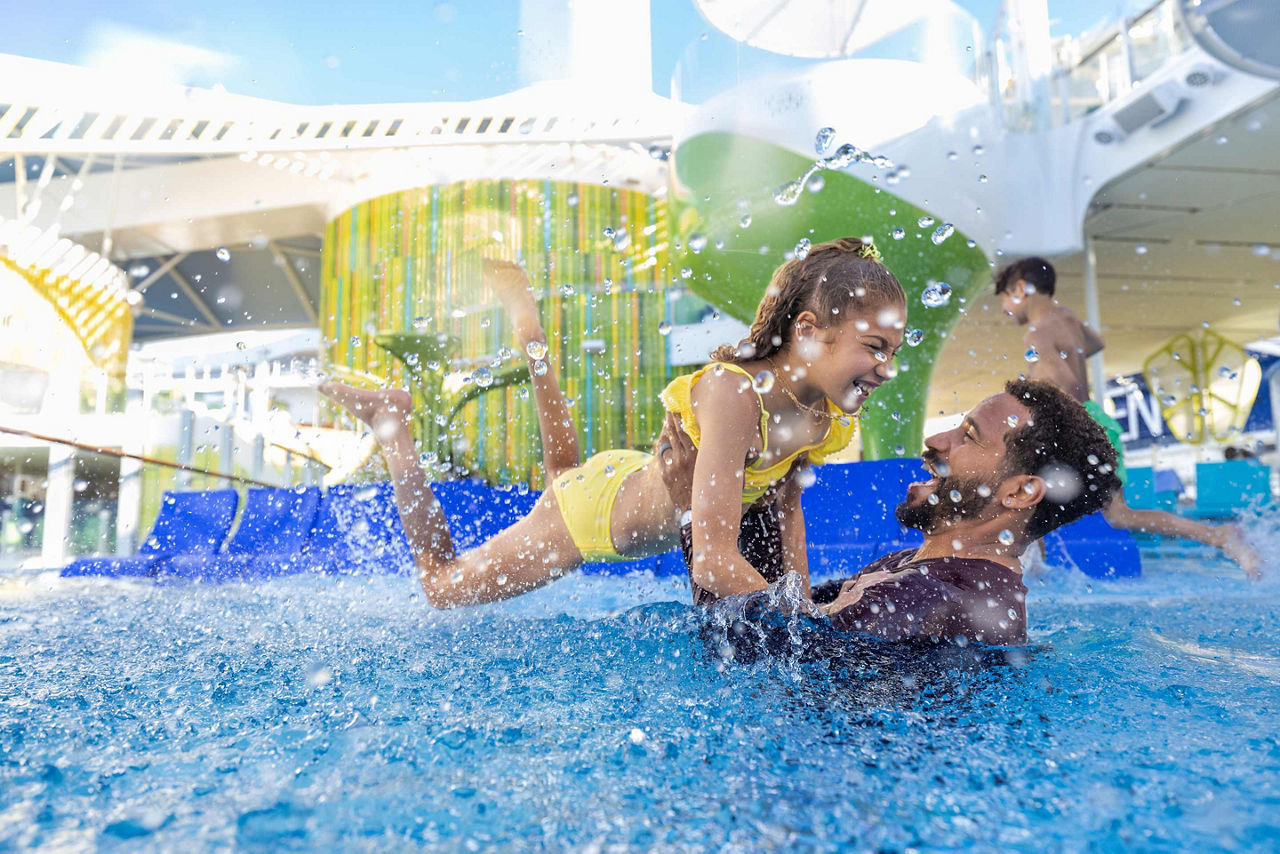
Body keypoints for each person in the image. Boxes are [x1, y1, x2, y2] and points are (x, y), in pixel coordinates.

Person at [320, 237, 906, 608]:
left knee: (564, 469)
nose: (887, 369)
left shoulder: (822, 413)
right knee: (442, 586)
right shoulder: (734, 393)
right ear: (805, 331)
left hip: (632, 479)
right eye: (874, 347)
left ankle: (531, 335)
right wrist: (808, 631)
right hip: (592, 517)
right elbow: (712, 560)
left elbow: (786, 512)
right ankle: (393, 428)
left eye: (894, 351)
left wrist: (802, 599)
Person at [658, 378, 1123, 645]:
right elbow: (796, 612)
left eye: (969, 437)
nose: (938, 442)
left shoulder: (936, 598)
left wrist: (688, 510)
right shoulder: (922, 569)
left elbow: (745, 655)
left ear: (1021, 493)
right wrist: (786, 507)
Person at [994, 257, 1260, 578]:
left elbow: (1063, 385)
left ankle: (1021, 576)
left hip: (1072, 427)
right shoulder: (1066, 317)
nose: (1004, 308)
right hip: (1098, 422)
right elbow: (1096, 344)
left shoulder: (1036, 334)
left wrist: (1027, 390)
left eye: (1005, 298)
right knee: (1119, 515)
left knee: (1014, 493)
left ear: (1021, 289)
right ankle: (1219, 536)